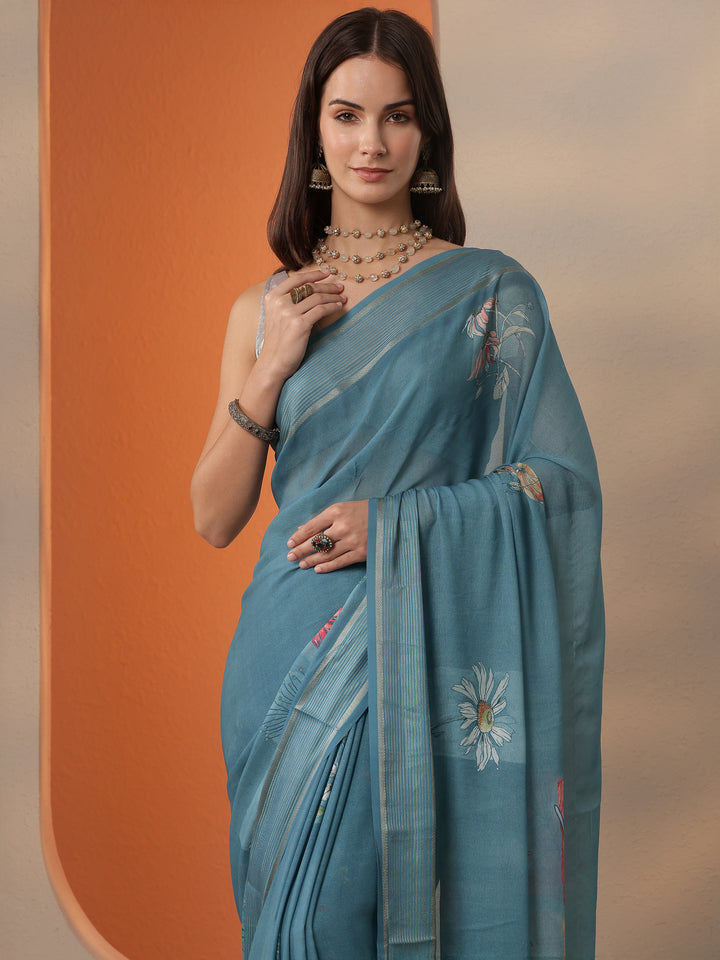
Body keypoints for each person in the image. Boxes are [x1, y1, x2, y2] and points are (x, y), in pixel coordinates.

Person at [191, 8, 604, 960]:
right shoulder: (264, 307)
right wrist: (272, 364)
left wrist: (399, 525)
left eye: (397, 116)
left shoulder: (489, 293)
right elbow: (212, 516)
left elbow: (559, 482)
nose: (371, 142)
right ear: (314, 134)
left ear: (427, 135)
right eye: (346, 116)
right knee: (302, 927)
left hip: (418, 641)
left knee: (376, 907)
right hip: (284, 648)